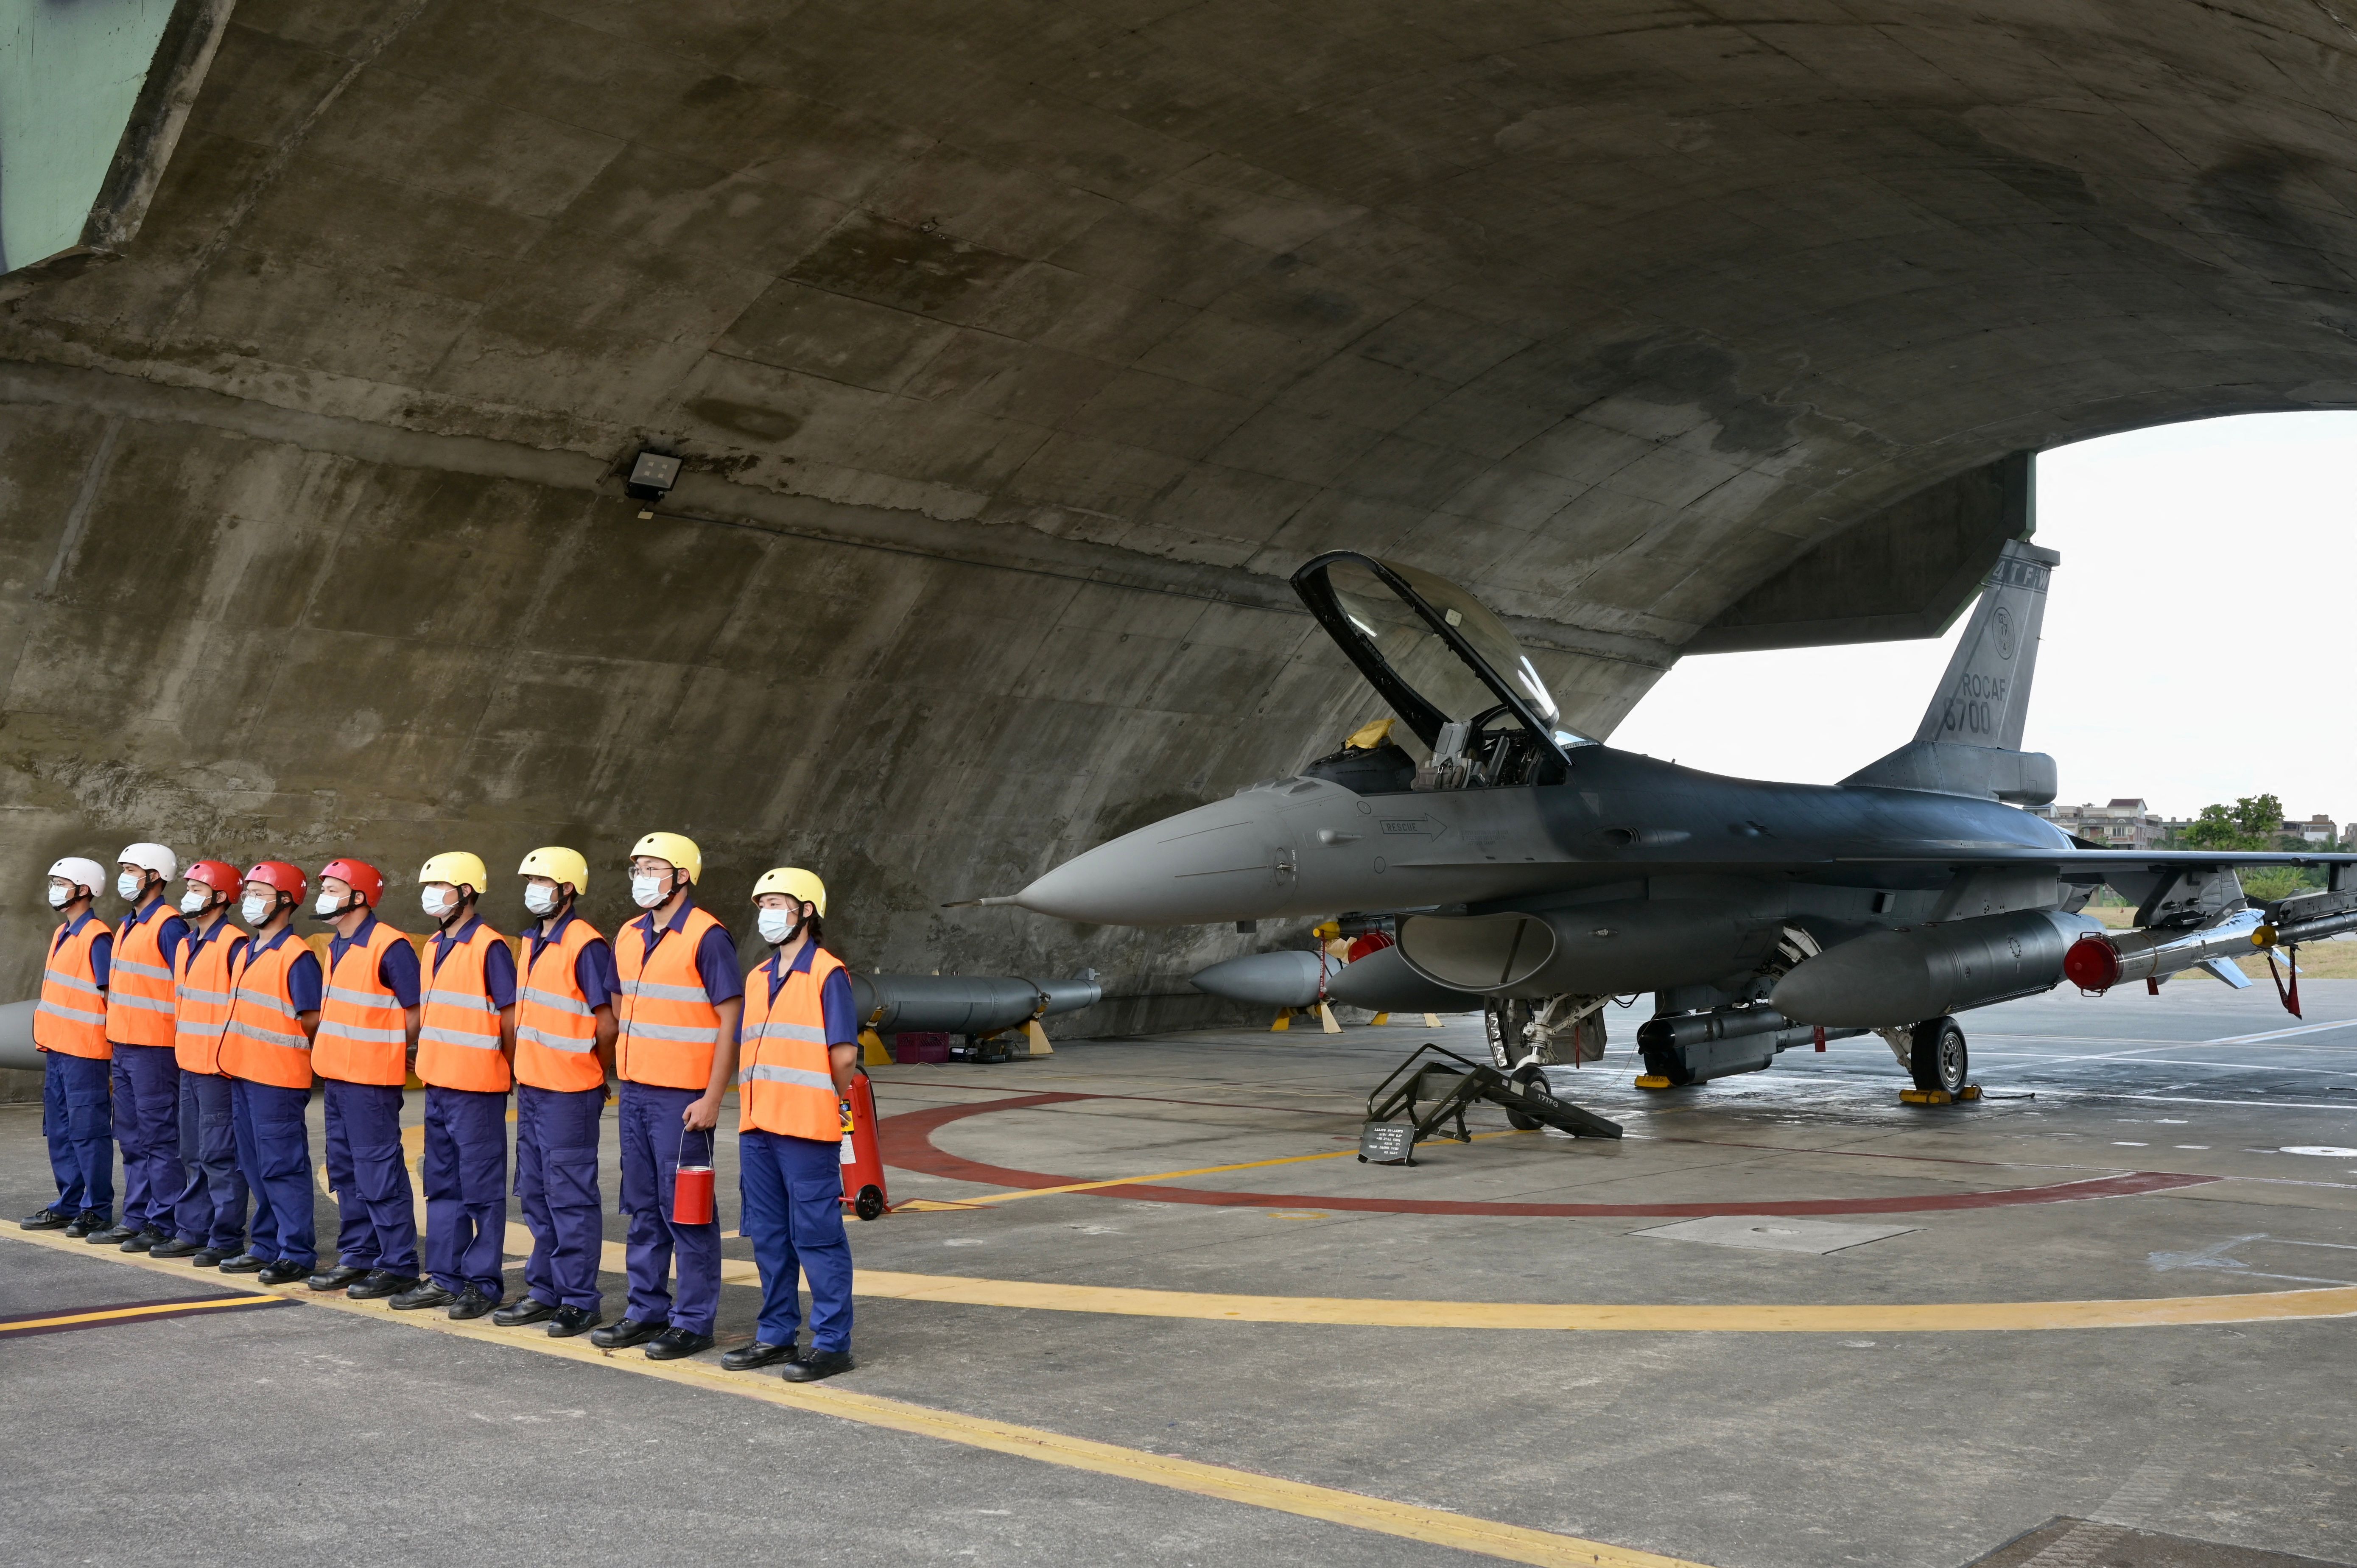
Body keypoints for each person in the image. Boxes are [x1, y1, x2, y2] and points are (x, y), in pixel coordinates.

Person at [593, 832, 741, 1361]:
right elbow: (618, 1003)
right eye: (637, 868)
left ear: (682, 875)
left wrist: (712, 1097)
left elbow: (729, 1023)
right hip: (635, 1093)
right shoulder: (629, 934)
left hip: (682, 1100)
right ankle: (645, 1309)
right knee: (643, 1208)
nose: (642, 878)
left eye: (654, 868)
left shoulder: (707, 936)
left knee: (688, 1212)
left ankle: (693, 1319)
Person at [722, 869, 859, 1381]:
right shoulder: (758, 977)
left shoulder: (828, 973)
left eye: (778, 902)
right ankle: (776, 1335)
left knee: (818, 1238)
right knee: (770, 1238)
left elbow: (842, 1056)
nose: (767, 913)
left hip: (805, 1130)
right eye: (763, 903)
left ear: (806, 910)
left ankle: (831, 1343)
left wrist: (822, 1100)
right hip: (759, 1128)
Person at [493, 847, 619, 1339]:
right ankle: (545, 1290)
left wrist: (591, 1068)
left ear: (567, 888)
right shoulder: (533, 941)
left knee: (570, 1197)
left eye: (543, 880)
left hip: (569, 1090)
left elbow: (606, 1023)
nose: (533, 888)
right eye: (530, 879)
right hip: (535, 1088)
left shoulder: (585, 944)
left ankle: (579, 1299)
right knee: (538, 1195)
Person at [392, 852, 514, 1320]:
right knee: (442, 1184)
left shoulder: (489, 947)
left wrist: (502, 1067)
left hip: (477, 1086)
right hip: (439, 1083)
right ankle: (445, 1277)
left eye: (441, 885)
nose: (431, 895)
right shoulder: (436, 946)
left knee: (480, 1187)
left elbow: (509, 1018)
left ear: (466, 891)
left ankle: (482, 1282)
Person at [309, 858, 423, 1300]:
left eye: (334, 887)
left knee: (378, 1171)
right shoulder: (338, 946)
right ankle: (358, 1255)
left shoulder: (389, 945)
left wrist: (391, 1050)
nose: (325, 894)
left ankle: (397, 1264)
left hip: (370, 1081)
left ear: (359, 896)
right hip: (339, 1077)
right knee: (346, 1170)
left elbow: (415, 1012)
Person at [216, 862, 323, 1285]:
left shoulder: (298, 956)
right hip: (244, 1072)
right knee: (254, 1165)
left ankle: (296, 1251)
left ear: (284, 900)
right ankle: (265, 1245)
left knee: (284, 1166)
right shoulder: (248, 949)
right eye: (249, 892)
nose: (249, 900)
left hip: (277, 1080)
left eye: (260, 892)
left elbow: (312, 1019)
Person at [91, 843, 190, 1250]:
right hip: (126, 1047)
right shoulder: (128, 925)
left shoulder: (170, 926)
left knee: (159, 1138)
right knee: (131, 1137)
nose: (124, 877)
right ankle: (137, 1215)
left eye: (132, 869)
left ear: (155, 876)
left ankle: (163, 1220)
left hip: (157, 1050)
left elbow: (186, 991)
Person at [152, 860, 249, 1264]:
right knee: (191, 1152)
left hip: (219, 1070)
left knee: (220, 1155)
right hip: (190, 1064)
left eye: (197, 888)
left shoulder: (235, 944)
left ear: (222, 897)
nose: (188, 894)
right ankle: (194, 1228)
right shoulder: (185, 944)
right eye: (188, 886)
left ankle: (225, 1236)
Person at [19, 857, 116, 1236]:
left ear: (84, 889)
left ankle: (96, 1209)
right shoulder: (64, 933)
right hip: (59, 1050)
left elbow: (112, 998)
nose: (54, 889)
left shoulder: (97, 937)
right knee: (59, 1129)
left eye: (61, 882)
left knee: (88, 1130)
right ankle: (70, 1202)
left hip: (86, 1053)